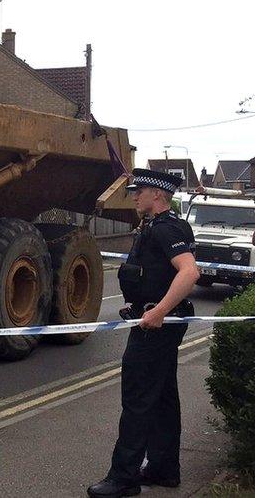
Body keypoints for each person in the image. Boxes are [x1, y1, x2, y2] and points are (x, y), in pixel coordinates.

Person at [88, 168, 200, 498]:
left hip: (157, 327)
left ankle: (123, 477)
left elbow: (189, 272)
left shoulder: (167, 228)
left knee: (137, 401)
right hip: (154, 322)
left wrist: (158, 311)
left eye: (141, 191)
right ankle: (165, 469)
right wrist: (138, 306)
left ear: (158, 195)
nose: (135, 196)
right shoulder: (155, 227)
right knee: (162, 397)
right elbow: (152, 273)